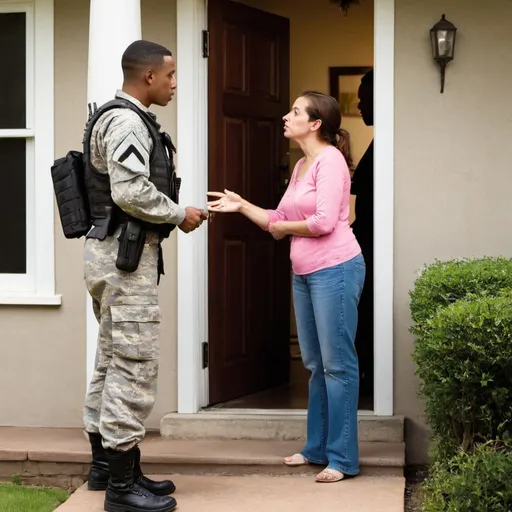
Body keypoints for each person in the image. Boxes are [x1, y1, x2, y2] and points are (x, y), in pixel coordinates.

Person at [208, 91, 365, 483]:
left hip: (336, 269)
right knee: (315, 365)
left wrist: (282, 228)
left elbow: (324, 222)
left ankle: (342, 458)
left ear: (315, 124)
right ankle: (316, 448)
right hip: (305, 273)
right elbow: (277, 217)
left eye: (294, 111)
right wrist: (242, 205)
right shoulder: (300, 167)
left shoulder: (330, 161)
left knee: (338, 366)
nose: (285, 116)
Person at [82, 40, 206, 512]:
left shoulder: (113, 115)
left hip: (109, 257)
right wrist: (180, 214)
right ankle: (121, 490)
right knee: (133, 367)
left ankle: (110, 469)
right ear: (149, 76)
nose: (175, 84)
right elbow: (130, 190)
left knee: (112, 360)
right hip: (125, 258)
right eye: (171, 75)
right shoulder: (128, 120)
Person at [351, 69, 374, 397]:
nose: (358, 104)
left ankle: (366, 379)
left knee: (366, 312)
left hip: (371, 243)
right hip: (362, 239)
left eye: (364, 97)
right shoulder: (374, 145)